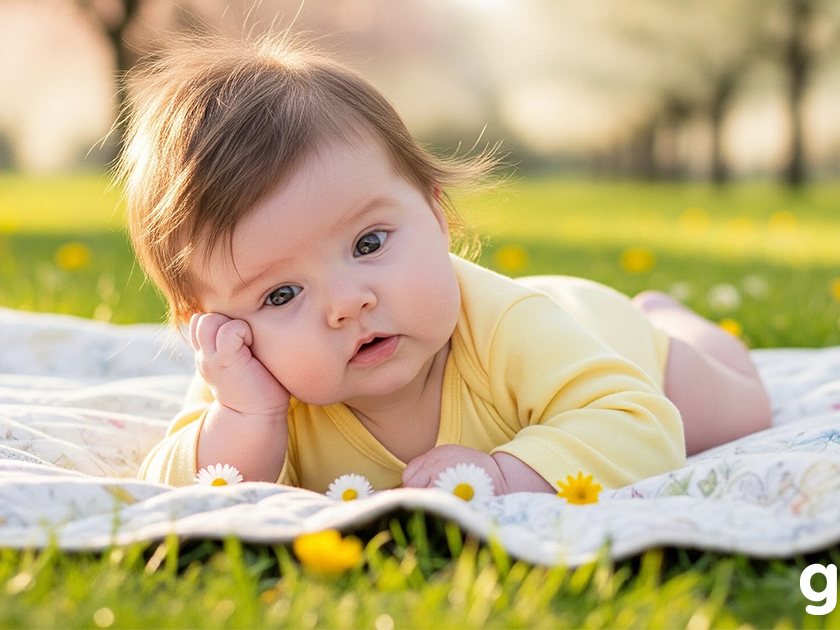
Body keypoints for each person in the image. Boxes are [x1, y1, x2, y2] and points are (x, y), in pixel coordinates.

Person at [126, 34, 773, 496]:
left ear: (436, 217)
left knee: (741, 412)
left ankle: (674, 320)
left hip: (602, 333)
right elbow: (175, 487)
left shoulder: (510, 328)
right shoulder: (247, 380)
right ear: (215, 328)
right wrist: (246, 419)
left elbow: (641, 426)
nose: (346, 303)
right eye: (281, 294)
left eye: (369, 244)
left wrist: (503, 475)